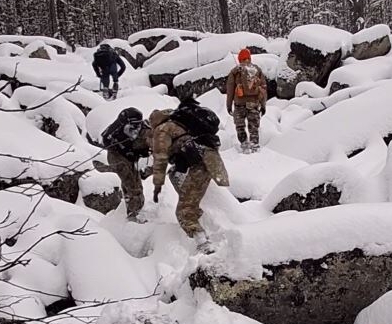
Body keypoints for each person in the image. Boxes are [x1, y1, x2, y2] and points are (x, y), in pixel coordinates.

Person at [150, 99, 229, 252]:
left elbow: (160, 158)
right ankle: (198, 213)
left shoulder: (162, 129)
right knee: (175, 175)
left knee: (184, 212)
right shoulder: (180, 124)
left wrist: (157, 184)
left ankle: (203, 243)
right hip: (209, 159)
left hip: (200, 164)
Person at [99, 107, 150, 221]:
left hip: (128, 156)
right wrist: (127, 150)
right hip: (117, 157)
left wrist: (138, 152)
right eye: (135, 124)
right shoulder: (115, 132)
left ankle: (136, 209)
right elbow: (109, 141)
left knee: (135, 183)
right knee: (132, 184)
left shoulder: (135, 128)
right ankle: (134, 215)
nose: (137, 127)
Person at [226, 48, 267, 153]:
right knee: (253, 126)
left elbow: (230, 90)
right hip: (253, 104)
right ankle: (254, 145)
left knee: (240, 126)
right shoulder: (257, 70)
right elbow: (263, 89)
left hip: (239, 104)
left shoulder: (235, 71)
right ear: (249, 58)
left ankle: (244, 144)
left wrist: (229, 105)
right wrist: (263, 105)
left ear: (239, 59)